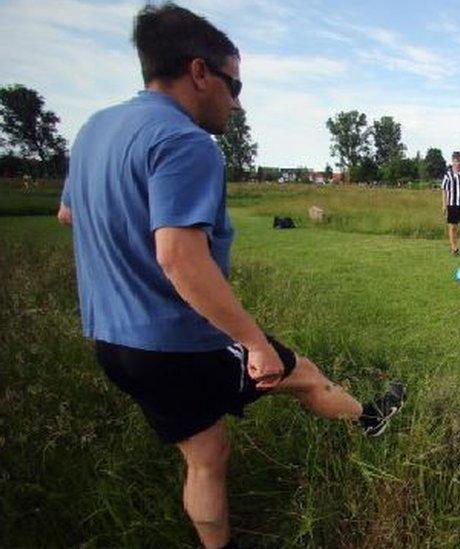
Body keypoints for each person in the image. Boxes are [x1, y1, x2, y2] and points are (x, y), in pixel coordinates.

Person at [56, 4, 405, 548]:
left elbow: (70, 214)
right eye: (234, 85)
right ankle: (372, 420)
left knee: (206, 454)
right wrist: (252, 342)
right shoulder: (185, 141)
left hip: (110, 338)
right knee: (302, 373)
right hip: (176, 340)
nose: (237, 104)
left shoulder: (94, 130)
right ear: (199, 72)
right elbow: (179, 258)